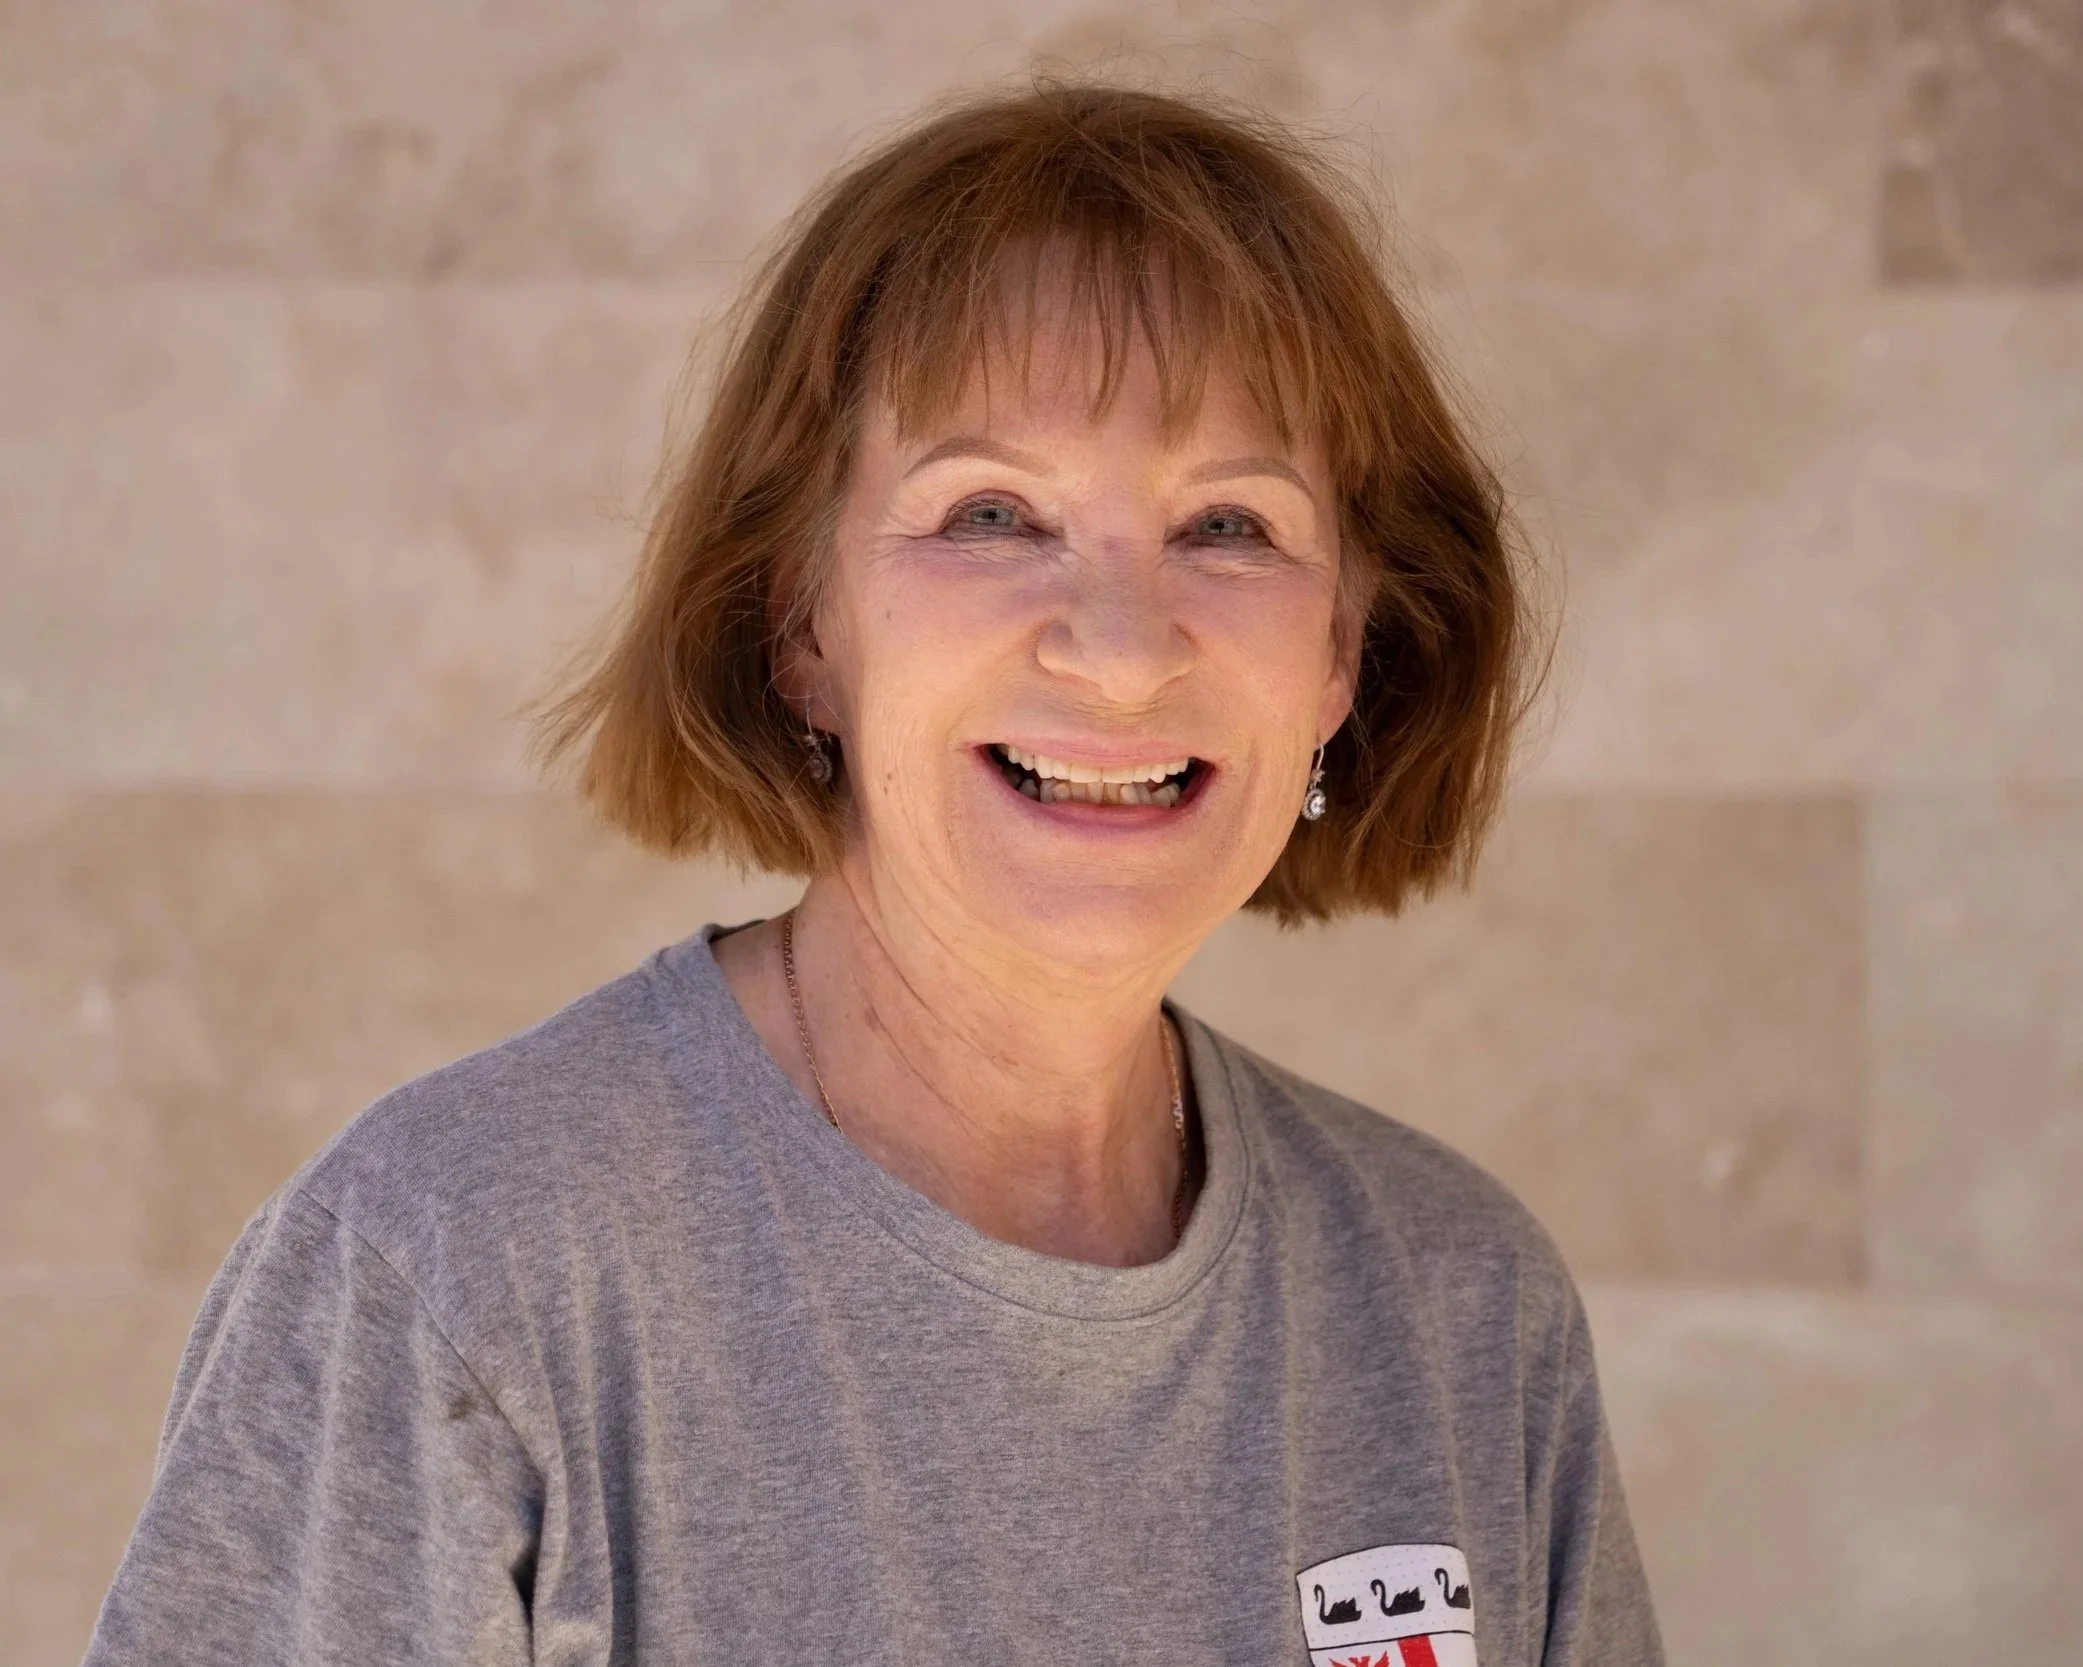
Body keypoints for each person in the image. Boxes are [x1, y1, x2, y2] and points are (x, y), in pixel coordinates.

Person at [84, 82, 1662, 1666]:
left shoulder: (1459, 1311)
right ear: (800, 627)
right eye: (992, 513)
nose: (1122, 650)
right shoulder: (459, 1268)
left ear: (1340, 652)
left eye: (1229, 526)